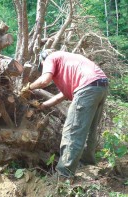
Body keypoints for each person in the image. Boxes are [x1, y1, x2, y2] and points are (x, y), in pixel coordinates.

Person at [21, 49, 108, 182]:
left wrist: (27, 88)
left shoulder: (50, 57)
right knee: (89, 128)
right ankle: (87, 163)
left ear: (44, 59)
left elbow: (44, 80)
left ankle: (63, 174)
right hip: (101, 85)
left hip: (87, 87)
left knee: (72, 130)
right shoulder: (69, 64)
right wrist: (42, 106)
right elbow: (59, 97)